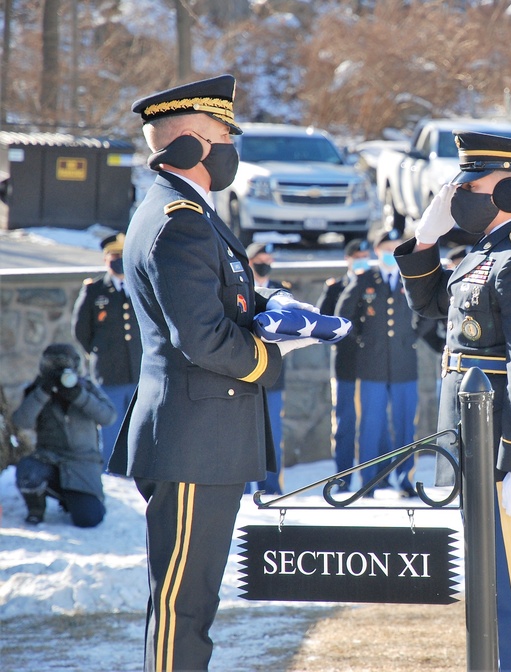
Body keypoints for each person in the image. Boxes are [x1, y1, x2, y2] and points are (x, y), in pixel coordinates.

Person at [108, 75, 321, 672]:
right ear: (190, 147)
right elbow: (200, 336)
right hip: (193, 442)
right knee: (184, 605)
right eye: (224, 136)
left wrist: (274, 310)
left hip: (203, 439)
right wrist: (269, 356)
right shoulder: (178, 219)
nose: (232, 147)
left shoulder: (191, 213)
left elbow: (219, 300)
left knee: (191, 600)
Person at [394, 131, 511, 672]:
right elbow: (431, 305)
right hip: (474, 442)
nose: (459, 193)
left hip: (504, 448)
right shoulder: (483, 254)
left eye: (473, 183)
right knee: (492, 584)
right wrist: (424, 242)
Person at [335, 229, 420, 497]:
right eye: (387, 248)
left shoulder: (411, 278)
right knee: (370, 426)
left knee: (406, 425)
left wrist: (412, 335)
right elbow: (344, 313)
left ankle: (405, 479)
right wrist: (363, 340)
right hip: (371, 365)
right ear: (377, 251)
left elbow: (427, 311)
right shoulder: (365, 280)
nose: (392, 253)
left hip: (404, 364)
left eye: (397, 247)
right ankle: (369, 481)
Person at [12, 344, 115, 527]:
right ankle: (36, 509)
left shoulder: (86, 387)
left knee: (89, 520)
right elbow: (21, 421)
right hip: (48, 460)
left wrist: (79, 396)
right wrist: (43, 392)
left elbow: (108, 416)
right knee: (28, 470)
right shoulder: (37, 388)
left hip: (81, 462)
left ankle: (72, 498)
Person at [72, 232, 142, 470]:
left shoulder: (139, 286)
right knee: (111, 427)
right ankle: (112, 473)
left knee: (138, 428)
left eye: (123, 255)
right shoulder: (94, 291)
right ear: (106, 259)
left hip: (138, 372)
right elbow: (82, 330)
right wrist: (97, 352)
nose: (120, 260)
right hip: (109, 372)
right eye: (115, 256)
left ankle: (135, 471)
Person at [318, 237, 373, 484]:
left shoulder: (376, 284)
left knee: (373, 424)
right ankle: (343, 477)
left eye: (364, 257)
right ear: (347, 259)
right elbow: (322, 324)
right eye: (356, 258)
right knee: (344, 423)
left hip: (373, 366)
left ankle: (373, 479)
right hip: (345, 365)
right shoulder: (335, 288)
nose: (361, 262)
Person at [244, 241, 293, 495]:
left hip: (272, 375)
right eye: (261, 260)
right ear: (249, 262)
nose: (266, 265)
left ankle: (271, 489)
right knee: (241, 435)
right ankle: (239, 489)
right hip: (242, 374)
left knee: (272, 435)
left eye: (269, 260)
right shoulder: (238, 290)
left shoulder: (281, 293)